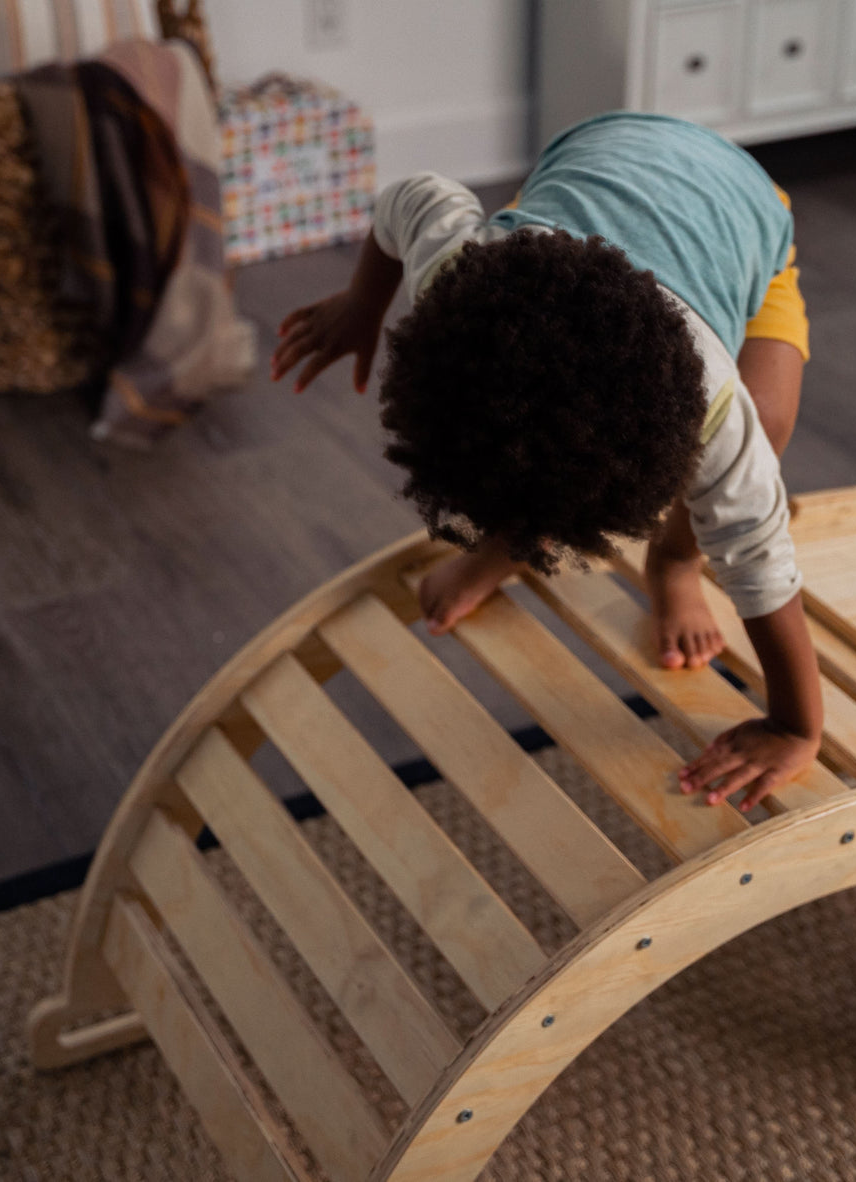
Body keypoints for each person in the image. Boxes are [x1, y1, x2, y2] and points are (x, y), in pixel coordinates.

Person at [271, 112, 820, 812]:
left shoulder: (713, 402)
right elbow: (409, 195)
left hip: (742, 206)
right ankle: (509, 541)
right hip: (601, 151)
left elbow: (760, 559)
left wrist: (794, 725)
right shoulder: (459, 277)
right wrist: (362, 305)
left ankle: (673, 564)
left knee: (767, 425)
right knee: (527, 448)